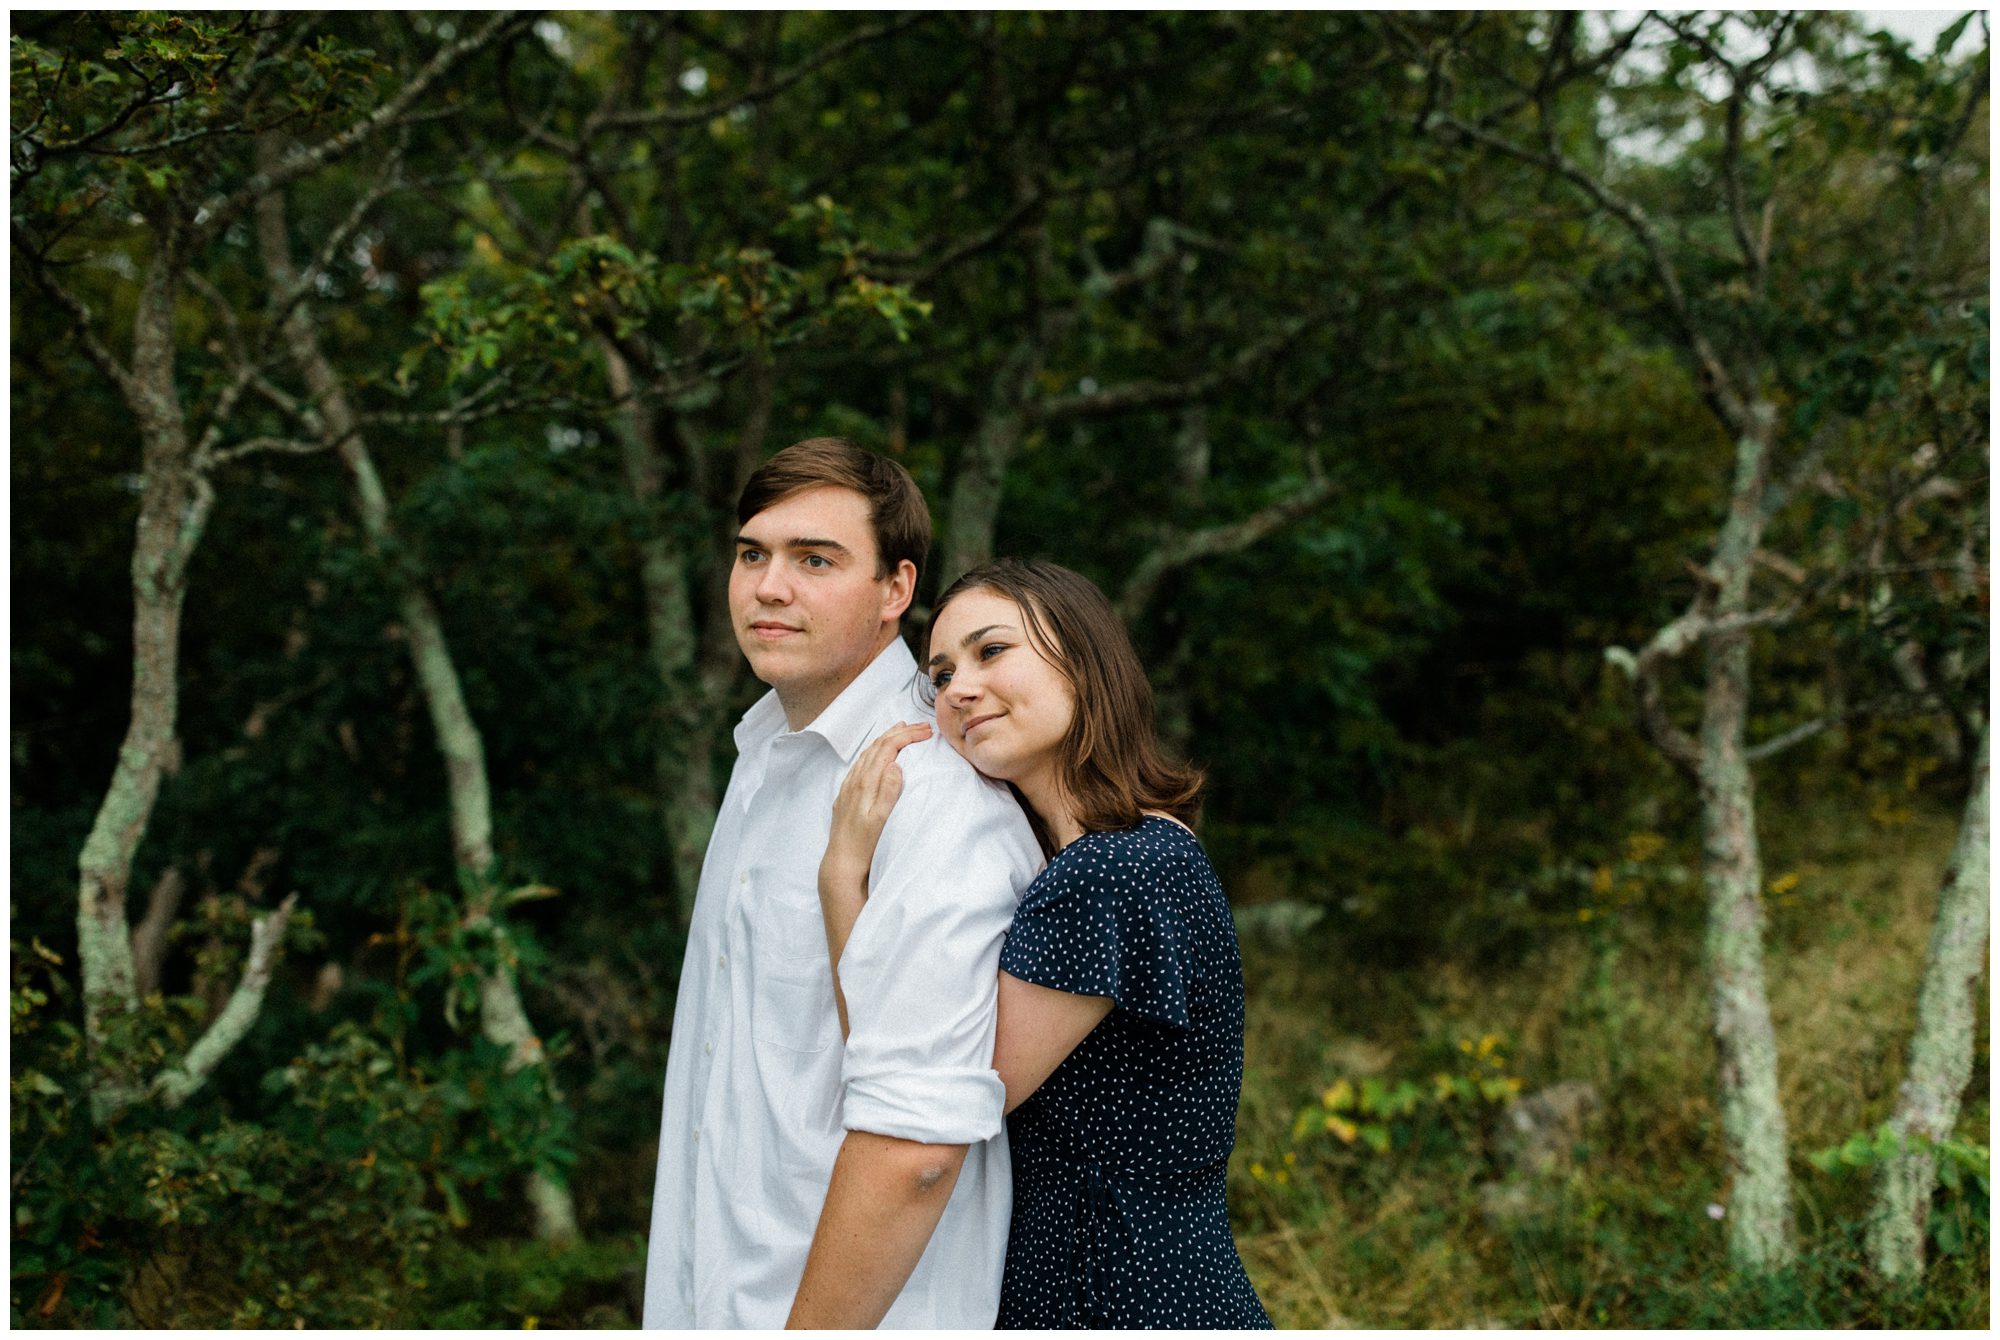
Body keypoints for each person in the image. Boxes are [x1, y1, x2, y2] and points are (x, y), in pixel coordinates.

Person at [642, 440, 1043, 1329]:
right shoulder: (763, 755)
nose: (769, 587)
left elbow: (919, 1144)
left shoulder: (932, 792)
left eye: (815, 560)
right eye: (753, 554)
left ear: (896, 589)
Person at [819, 558, 1272, 1329]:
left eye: (992, 651)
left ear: (1083, 660)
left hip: (1121, 1300)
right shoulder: (1138, 852)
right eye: (941, 674)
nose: (958, 689)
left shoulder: (1108, 870)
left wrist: (841, 877)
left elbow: (925, 1093)